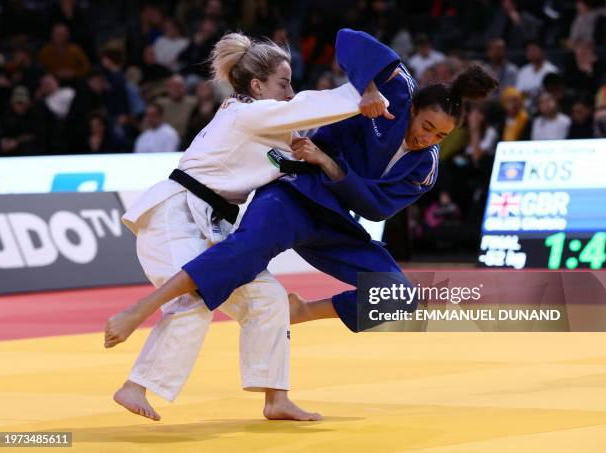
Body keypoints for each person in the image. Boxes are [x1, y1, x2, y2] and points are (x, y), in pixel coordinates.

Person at [106, 29, 497, 393]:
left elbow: (376, 209)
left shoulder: (425, 166)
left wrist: (332, 166)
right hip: (296, 191)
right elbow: (348, 40)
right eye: (426, 125)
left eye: (440, 136)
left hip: (336, 216)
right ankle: (140, 308)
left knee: (398, 297)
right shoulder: (398, 89)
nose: (426, 138)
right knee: (244, 251)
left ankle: (304, 312)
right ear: (413, 108)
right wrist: (370, 86)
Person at [106, 31, 390, 422]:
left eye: (291, 83)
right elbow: (310, 106)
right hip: (174, 217)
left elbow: (296, 138)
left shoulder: (264, 124)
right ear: (257, 86)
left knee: (268, 299)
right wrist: (365, 91)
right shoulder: (247, 114)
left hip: (210, 224)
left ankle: (276, 398)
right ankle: (136, 385)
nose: (291, 92)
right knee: (195, 297)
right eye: (283, 83)